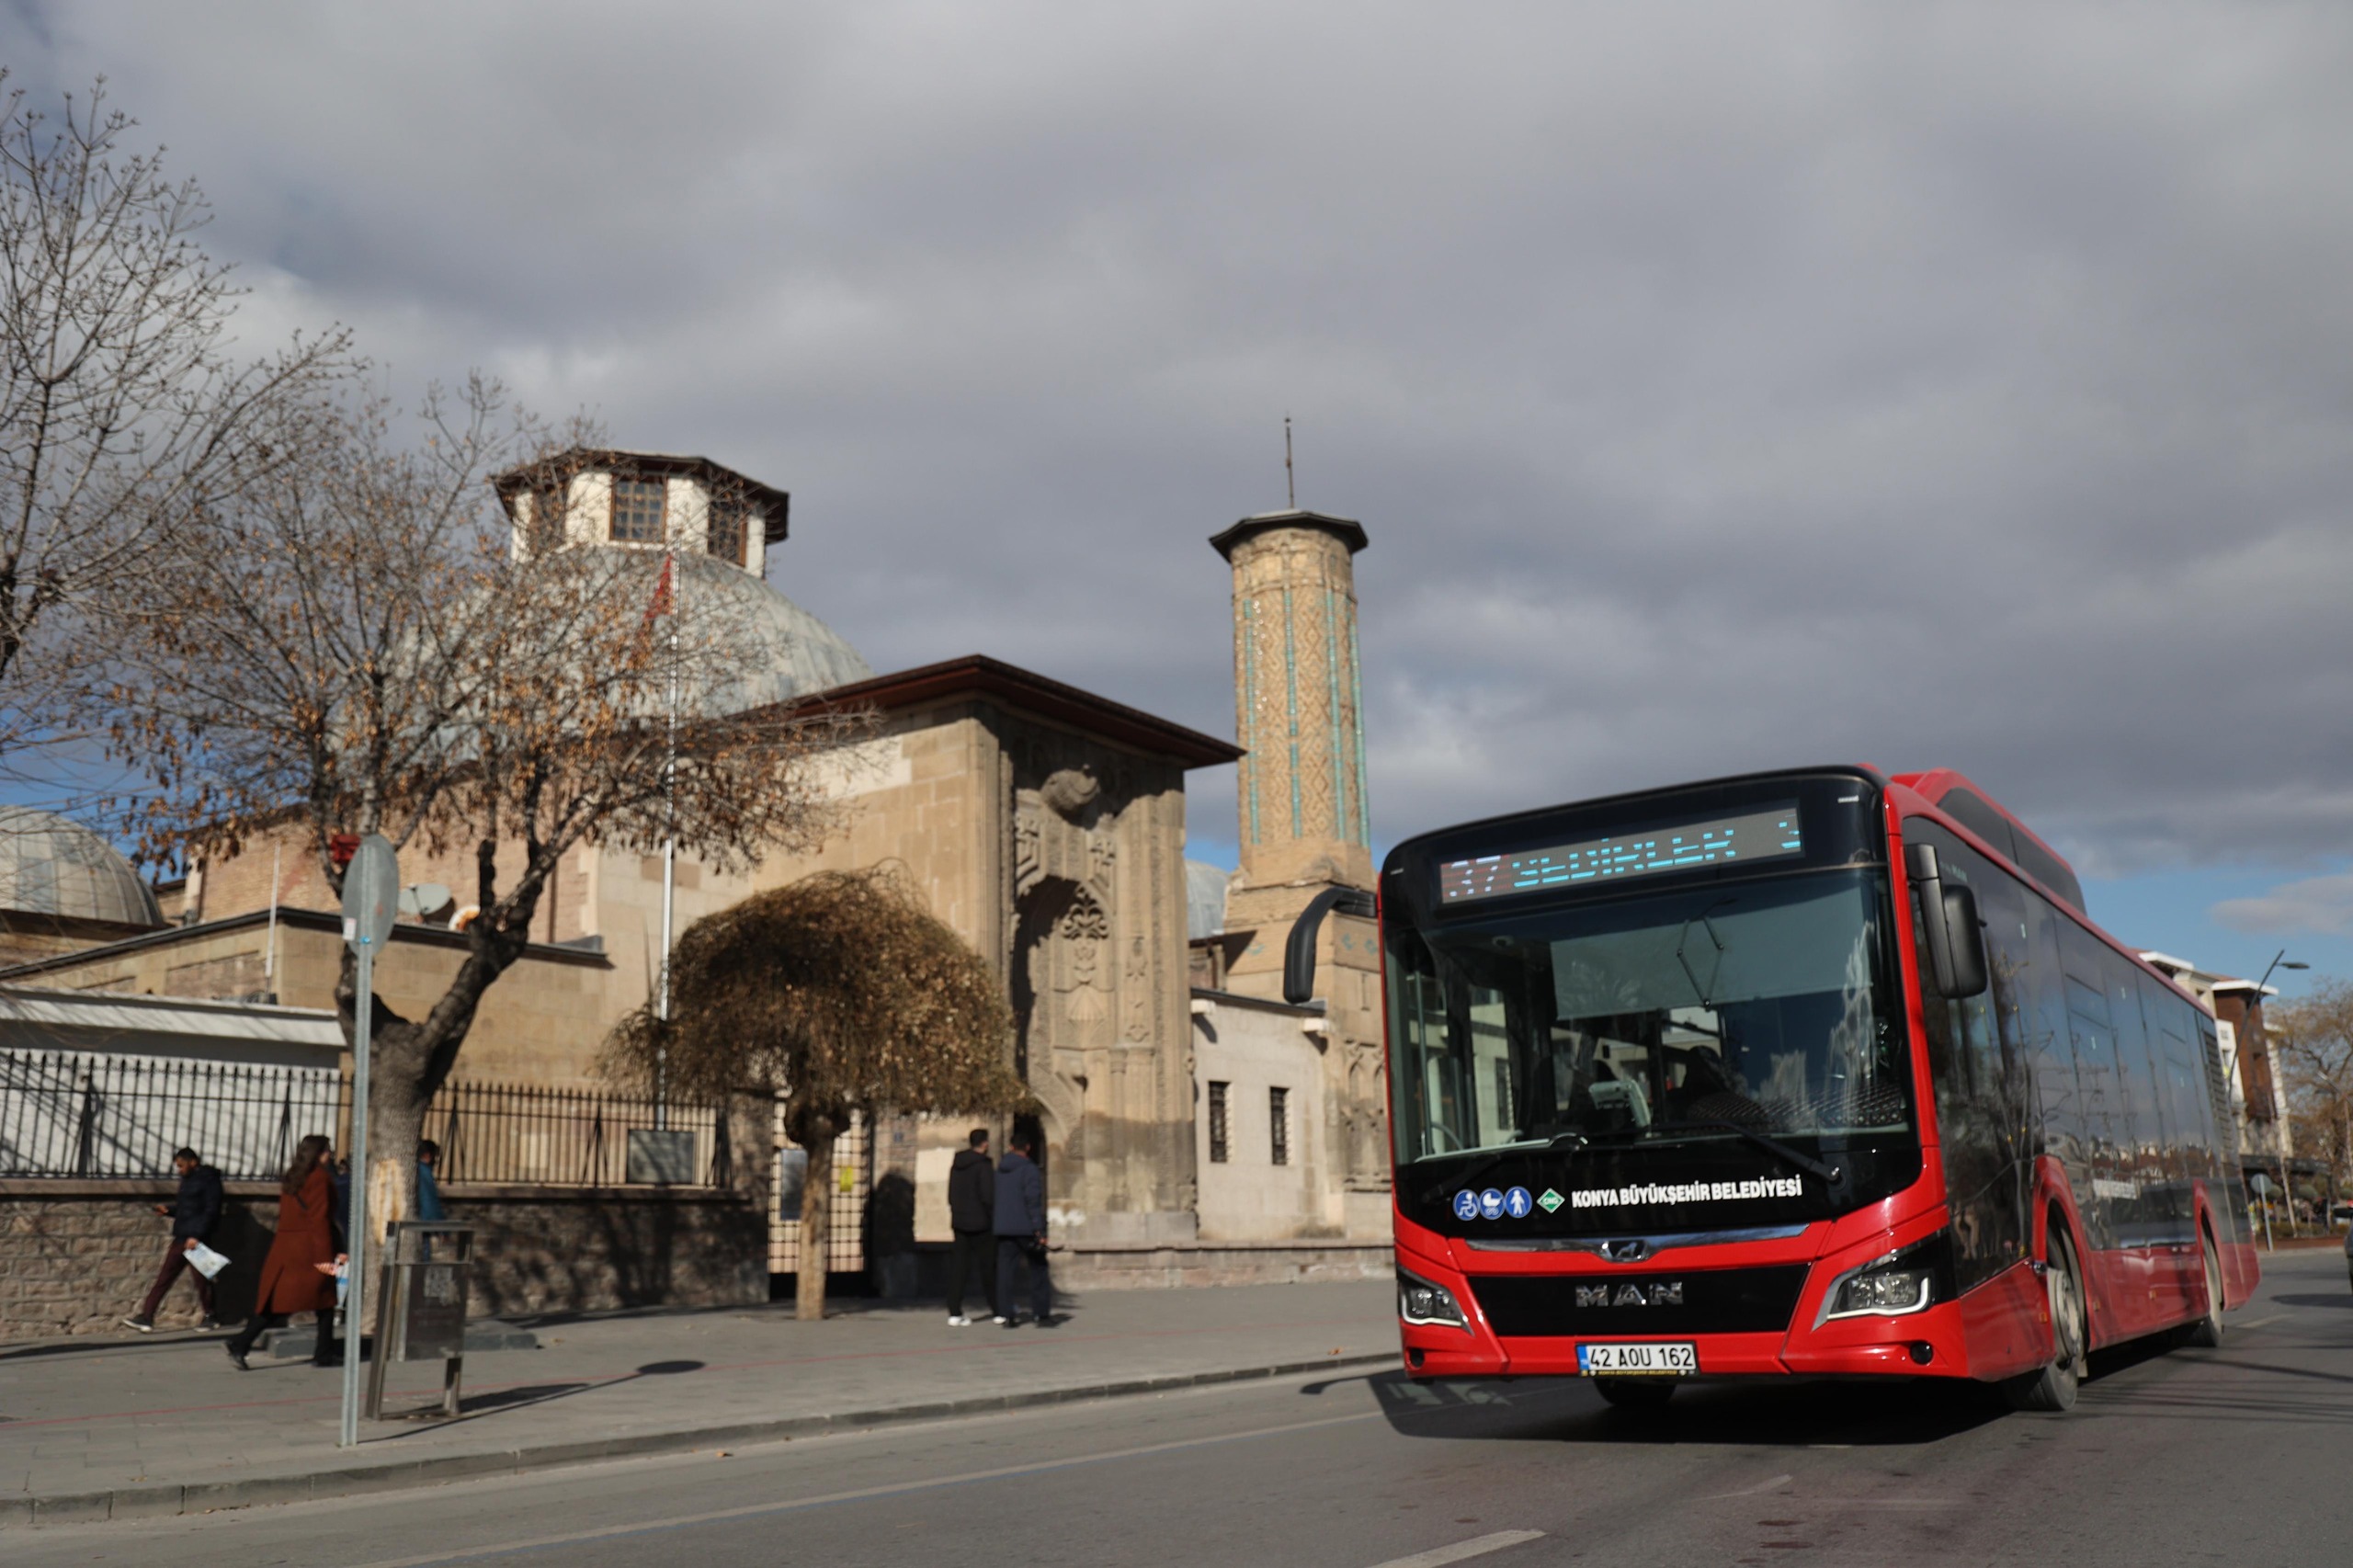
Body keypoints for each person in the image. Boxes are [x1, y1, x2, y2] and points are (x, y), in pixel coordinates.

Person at [224, 1133, 345, 1370]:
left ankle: (323, 1352)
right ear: (319, 1153)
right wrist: (325, 1257)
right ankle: (241, 1342)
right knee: (321, 1301)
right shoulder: (320, 1178)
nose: (329, 1154)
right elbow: (319, 1219)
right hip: (309, 1249)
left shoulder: (293, 1176)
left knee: (290, 1302)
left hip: (286, 1247)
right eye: (327, 1150)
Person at [121, 1147, 223, 1333]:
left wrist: (196, 1236)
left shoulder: (209, 1181)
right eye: (178, 1166)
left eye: (182, 1166)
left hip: (196, 1240)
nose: (179, 1170)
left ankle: (211, 1316)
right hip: (181, 1236)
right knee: (164, 1277)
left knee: (201, 1280)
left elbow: (211, 1211)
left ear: (193, 1162)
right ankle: (146, 1316)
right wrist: (170, 1211)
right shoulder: (188, 1180)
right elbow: (187, 1209)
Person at [994, 1132, 1053, 1327]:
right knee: (1038, 1269)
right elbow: (1033, 1200)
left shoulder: (1000, 1171)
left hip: (1004, 1228)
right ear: (1028, 1148)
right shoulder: (1029, 1170)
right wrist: (1040, 1230)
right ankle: (1041, 1313)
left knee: (1005, 1273)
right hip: (1026, 1228)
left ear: (1011, 1147)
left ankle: (1007, 1314)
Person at [945, 1128, 997, 1325]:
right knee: (989, 1267)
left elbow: (951, 1193)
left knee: (959, 1267)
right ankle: (998, 1308)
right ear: (984, 1143)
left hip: (960, 1221)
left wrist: (957, 1212)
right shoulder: (983, 1165)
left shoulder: (957, 1164)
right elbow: (987, 1196)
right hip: (981, 1224)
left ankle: (954, 1311)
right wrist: (991, 1217)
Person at [416, 1139, 448, 1221]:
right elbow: (429, 1201)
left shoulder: (420, 1170)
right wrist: (442, 1225)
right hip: (426, 1222)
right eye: (434, 1156)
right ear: (427, 1155)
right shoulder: (424, 1173)